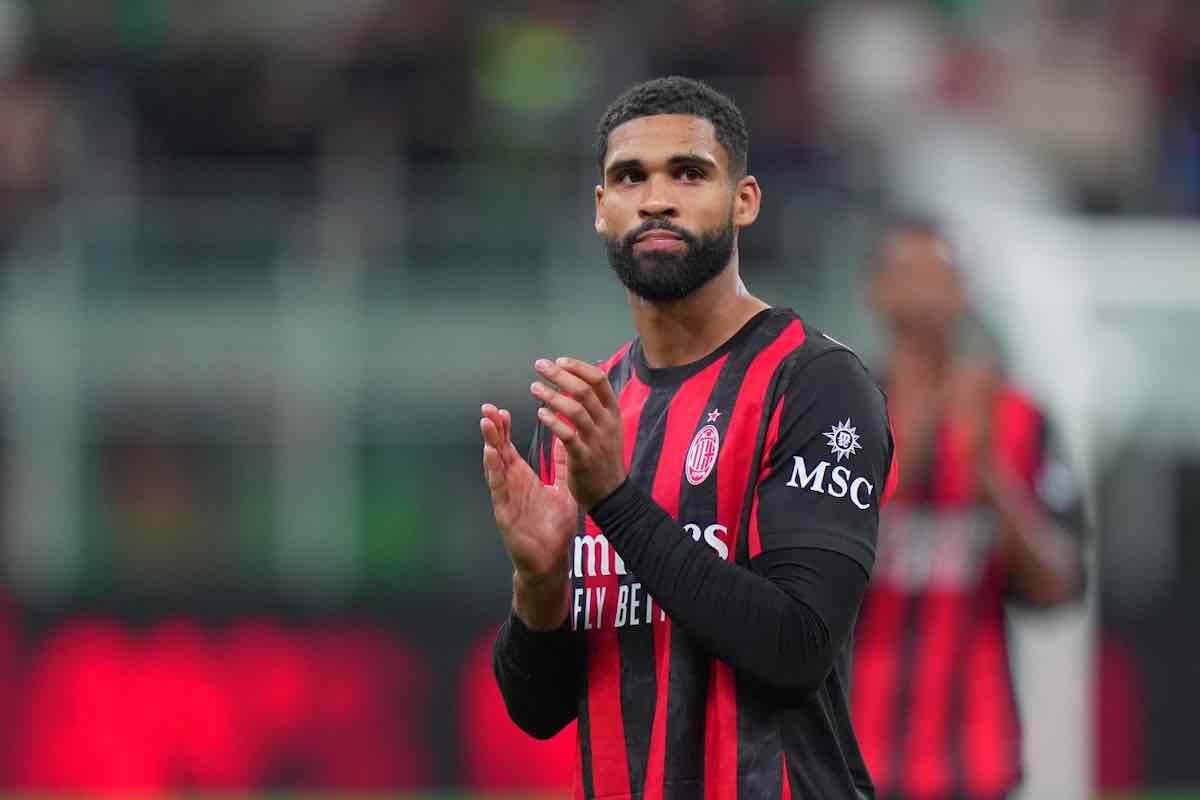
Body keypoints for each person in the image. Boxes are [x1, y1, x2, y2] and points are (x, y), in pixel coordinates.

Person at [479, 76, 895, 798]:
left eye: (689, 173)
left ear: (745, 201)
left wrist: (614, 500)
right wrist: (539, 584)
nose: (657, 198)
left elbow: (796, 646)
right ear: (601, 210)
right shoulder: (589, 413)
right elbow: (539, 711)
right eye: (629, 177)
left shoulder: (814, 384)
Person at [852, 218, 1085, 800]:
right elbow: (808, 584)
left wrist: (989, 477)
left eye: (944, 276)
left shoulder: (1021, 420)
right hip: (852, 761)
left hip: (978, 764)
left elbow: (1061, 588)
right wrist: (911, 450)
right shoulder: (833, 419)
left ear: (966, 292)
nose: (928, 293)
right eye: (910, 274)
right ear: (876, 291)